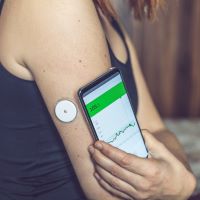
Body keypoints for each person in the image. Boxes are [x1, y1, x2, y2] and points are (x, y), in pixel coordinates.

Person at [0, 0, 196, 200]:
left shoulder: (103, 14)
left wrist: (177, 178)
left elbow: (155, 129)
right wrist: (181, 185)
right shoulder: (55, 6)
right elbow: (112, 193)